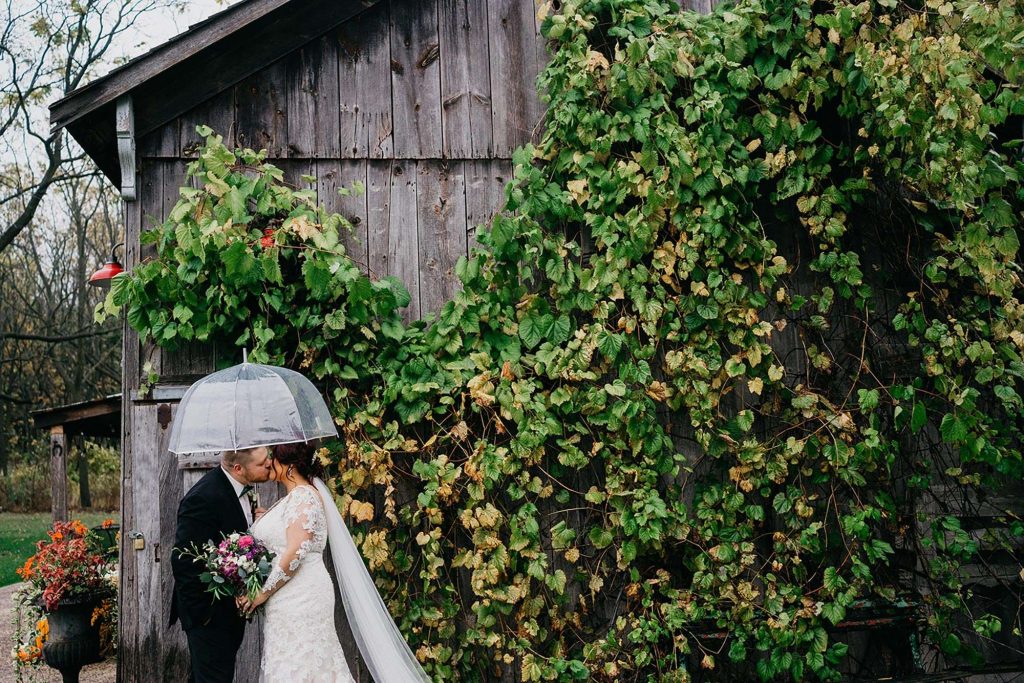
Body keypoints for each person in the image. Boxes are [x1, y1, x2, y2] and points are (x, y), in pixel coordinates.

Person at [241, 441, 431, 683]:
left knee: (304, 663)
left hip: (301, 595)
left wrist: (262, 593)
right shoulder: (293, 498)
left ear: (289, 466)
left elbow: (296, 553)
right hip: (285, 597)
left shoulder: (303, 497)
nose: (269, 462)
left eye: (273, 457)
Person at [170, 446, 273, 683]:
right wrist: (205, 617)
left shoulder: (242, 489)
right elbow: (183, 561)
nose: (268, 464)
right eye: (261, 463)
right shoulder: (202, 498)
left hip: (229, 616)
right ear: (238, 468)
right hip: (209, 616)